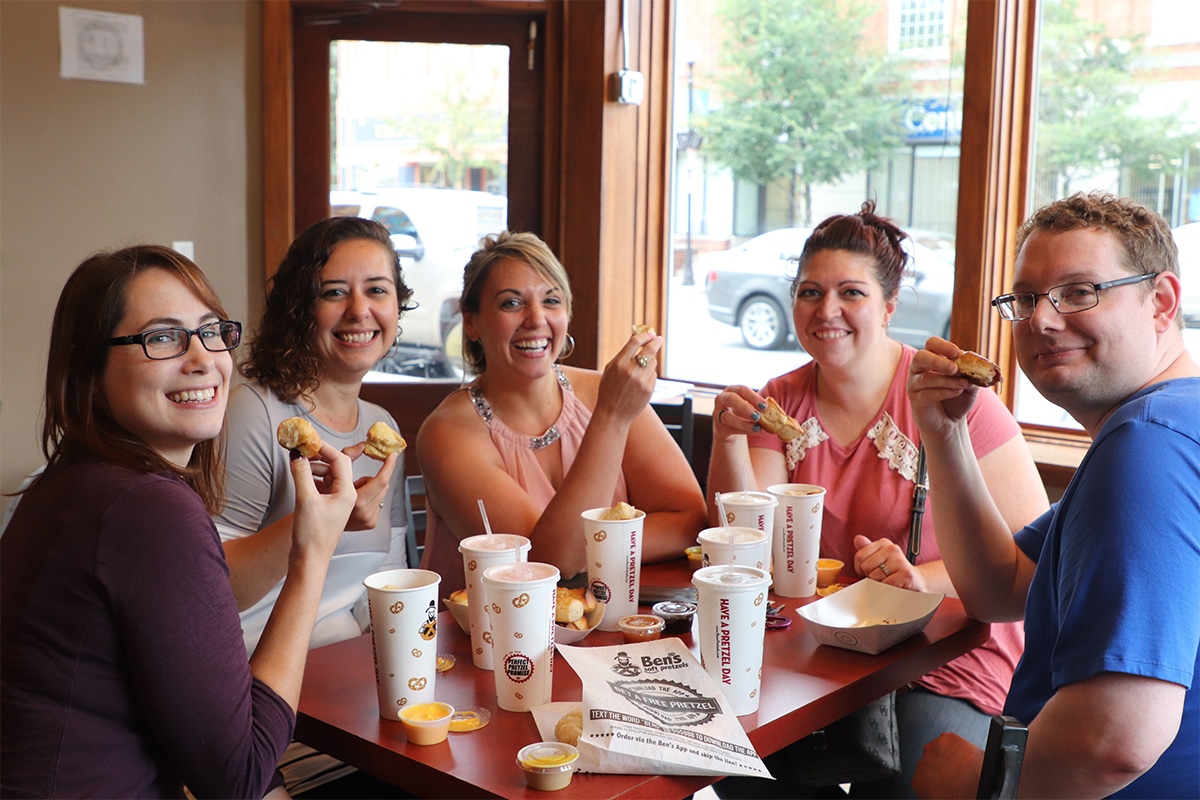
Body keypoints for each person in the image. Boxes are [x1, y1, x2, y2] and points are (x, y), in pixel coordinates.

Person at [708, 202, 1049, 798]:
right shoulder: (778, 402)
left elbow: (1031, 563)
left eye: (851, 292)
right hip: (819, 660)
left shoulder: (952, 399)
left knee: (902, 782)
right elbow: (746, 548)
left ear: (890, 306)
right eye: (810, 292)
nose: (827, 310)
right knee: (734, 758)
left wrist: (922, 579)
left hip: (942, 660)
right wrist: (728, 438)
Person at [0, 245, 355, 798]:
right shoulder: (147, 510)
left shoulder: (70, 482)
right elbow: (238, 778)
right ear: (88, 369)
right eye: (162, 337)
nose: (203, 358)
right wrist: (311, 557)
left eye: (212, 331)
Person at [909, 192, 1200, 798]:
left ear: (1162, 302)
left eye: (1079, 291)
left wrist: (973, 785)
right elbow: (1001, 585)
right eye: (1026, 298)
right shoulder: (1171, 424)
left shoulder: (1146, 444)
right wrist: (945, 434)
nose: (1041, 318)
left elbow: (1114, 740)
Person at [215, 216, 414, 795]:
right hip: (259, 708)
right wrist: (316, 524)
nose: (360, 311)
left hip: (354, 701)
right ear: (300, 308)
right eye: (334, 292)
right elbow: (212, 593)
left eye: (377, 290)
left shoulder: (384, 428)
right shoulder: (255, 412)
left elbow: (387, 585)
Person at [417, 231, 706, 597]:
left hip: (606, 627)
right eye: (511, 303)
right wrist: (612, 418)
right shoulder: (448, 432)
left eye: (551, 300)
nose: (536, 319)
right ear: (471, 322)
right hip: (486, 639)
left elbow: (690, 519)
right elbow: (550, 564)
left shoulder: (606, 391)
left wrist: (591, 550)